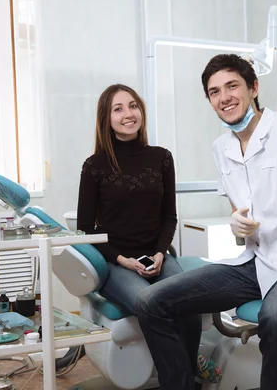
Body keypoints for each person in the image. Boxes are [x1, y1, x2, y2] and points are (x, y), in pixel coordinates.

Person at [134, 54, 277, 390]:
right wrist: (237, 221)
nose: (224, 97)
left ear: (253, 87)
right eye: (214, 92)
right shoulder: (221, 146)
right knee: (151, 302)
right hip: (256, 261)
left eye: (232, 85)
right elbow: (241, 207)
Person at [76, 83, 202, 379]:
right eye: (118, 109)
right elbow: (85, 229)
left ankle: (188, 376)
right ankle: (181, 382)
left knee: (190, 307)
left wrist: (160, 253)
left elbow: (169, 217)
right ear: (106, 118)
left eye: (133, 106)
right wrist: (122, 260)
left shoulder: (161, 158)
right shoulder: (94, 166)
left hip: (157, 255)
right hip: (117, 263)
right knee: (153, 306)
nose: (128, 114)